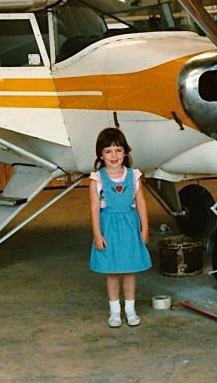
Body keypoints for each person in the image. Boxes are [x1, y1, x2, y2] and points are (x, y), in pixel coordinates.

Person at [89, 128, 152, 327]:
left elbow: (141, 203)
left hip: (129, 227)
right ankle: (115, 311)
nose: (113, 156)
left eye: (118, 150)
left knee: (130, 269)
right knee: (113, 271)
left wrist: (144, 229)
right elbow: (94, 208)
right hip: (109, 227)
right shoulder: (97, 179)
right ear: (101, 155)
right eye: (108, 151)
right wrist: (97, 234)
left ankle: (130, 310)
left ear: (125, 152)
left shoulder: (134, 175)